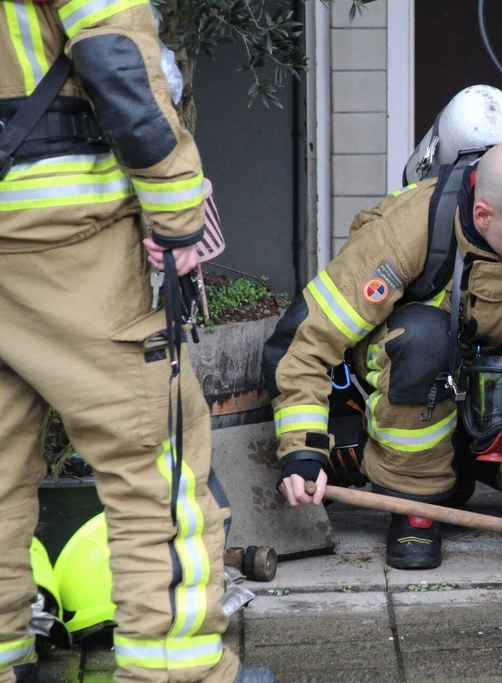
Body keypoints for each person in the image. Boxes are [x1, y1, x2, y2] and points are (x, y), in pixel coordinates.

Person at [0, 1, 274, 681]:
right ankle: (176, 672)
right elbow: (115, 56)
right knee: (156, 462)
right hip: (59, 234)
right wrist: (177, 206)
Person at [264, 139, 502, 570]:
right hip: (414, 385)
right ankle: (415, 501)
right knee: (423, 338)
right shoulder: (405, 230)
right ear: (483, 215)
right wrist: (303, 452)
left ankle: (478, 463)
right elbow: (305, 344)